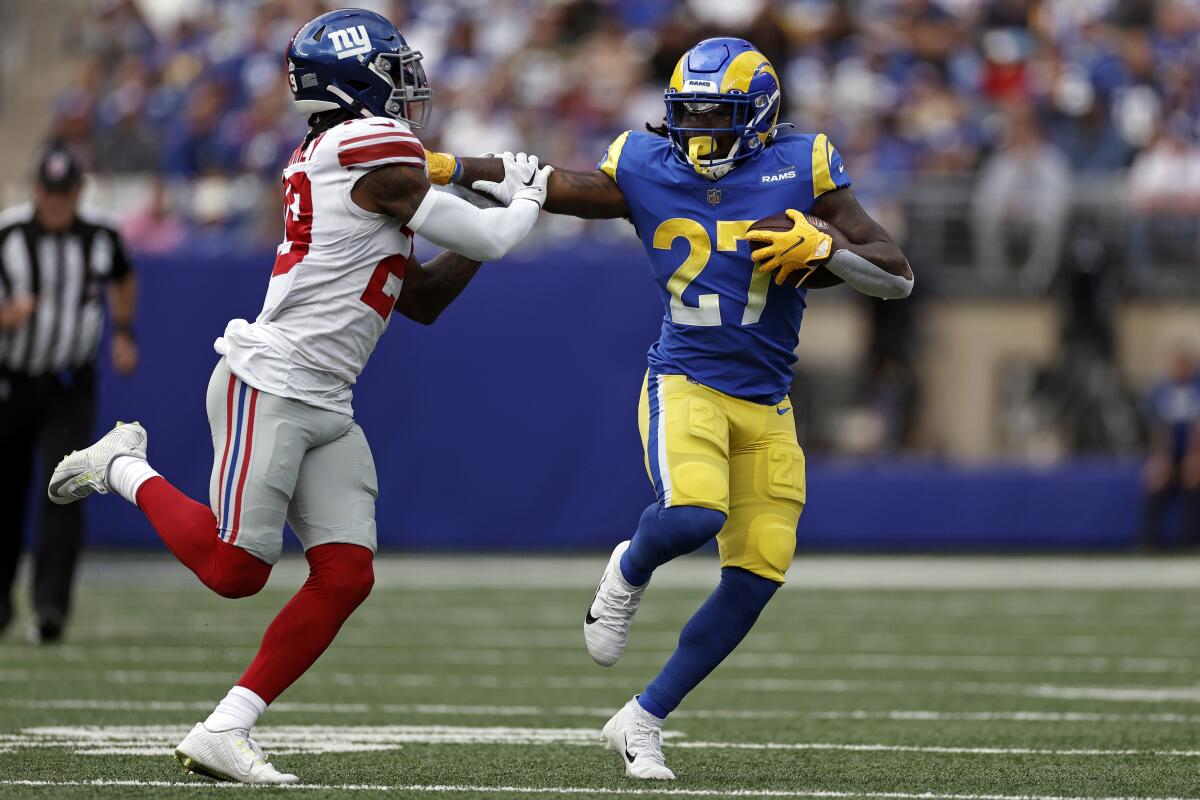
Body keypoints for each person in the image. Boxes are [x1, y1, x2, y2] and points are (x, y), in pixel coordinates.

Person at [46, 8, 550, 785]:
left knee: (346, 574)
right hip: (271, 382)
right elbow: (488, 237)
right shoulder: (364, 145)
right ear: (355, 81)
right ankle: (122, 465)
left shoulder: (354, 156)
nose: (408, 85)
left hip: (326, 395)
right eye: (392, 68)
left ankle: (226, 728)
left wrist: (494, 199)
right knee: (234, 570)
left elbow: (424, 298)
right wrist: (524, 196)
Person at [428, 37, 912, 780]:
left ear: (759, 118)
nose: (698, 135)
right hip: (686, 380)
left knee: (757, 576)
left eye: (717, 118)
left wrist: (827, 250)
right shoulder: (647, 162)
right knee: (692, 515)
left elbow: (896, 275)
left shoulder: (804, 164)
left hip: (767, 400)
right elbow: (556, 183)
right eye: (688, 116)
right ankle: (627, 568)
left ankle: (642, 718)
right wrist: (457, 169)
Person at [0, 145, 139, 644]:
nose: (57, 204)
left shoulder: (100, 235)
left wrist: (123, 330)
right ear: (36, 191)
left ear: (78, 193)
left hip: (69, 385)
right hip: (11, 381)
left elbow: (123, 277)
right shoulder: (8, 233)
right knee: (7, 494)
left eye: (66, 194)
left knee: (63, 491)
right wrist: (7, 317)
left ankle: (51, 608)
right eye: (49, 194)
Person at [1141, 349, 1200, 549]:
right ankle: (1149, 540)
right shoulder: (1161, 391)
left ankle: (1187, 539)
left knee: (1193, 477)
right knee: (1157, 477)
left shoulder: (1197, 389)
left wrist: (1195, 456)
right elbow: (1158, 428)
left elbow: (1196, 429)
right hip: (1168, 451)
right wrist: (1160, 457)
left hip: (1193, 451)